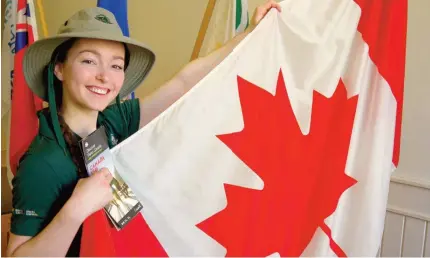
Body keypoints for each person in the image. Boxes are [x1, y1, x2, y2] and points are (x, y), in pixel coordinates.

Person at [6, 0, 281, 256]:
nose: (104, 75)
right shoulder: (42, 163)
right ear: (59, 69)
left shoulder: (113, 122)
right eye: (89, 60)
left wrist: (251, 34)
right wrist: (75, 210)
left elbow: (183, 83)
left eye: (116, 65)